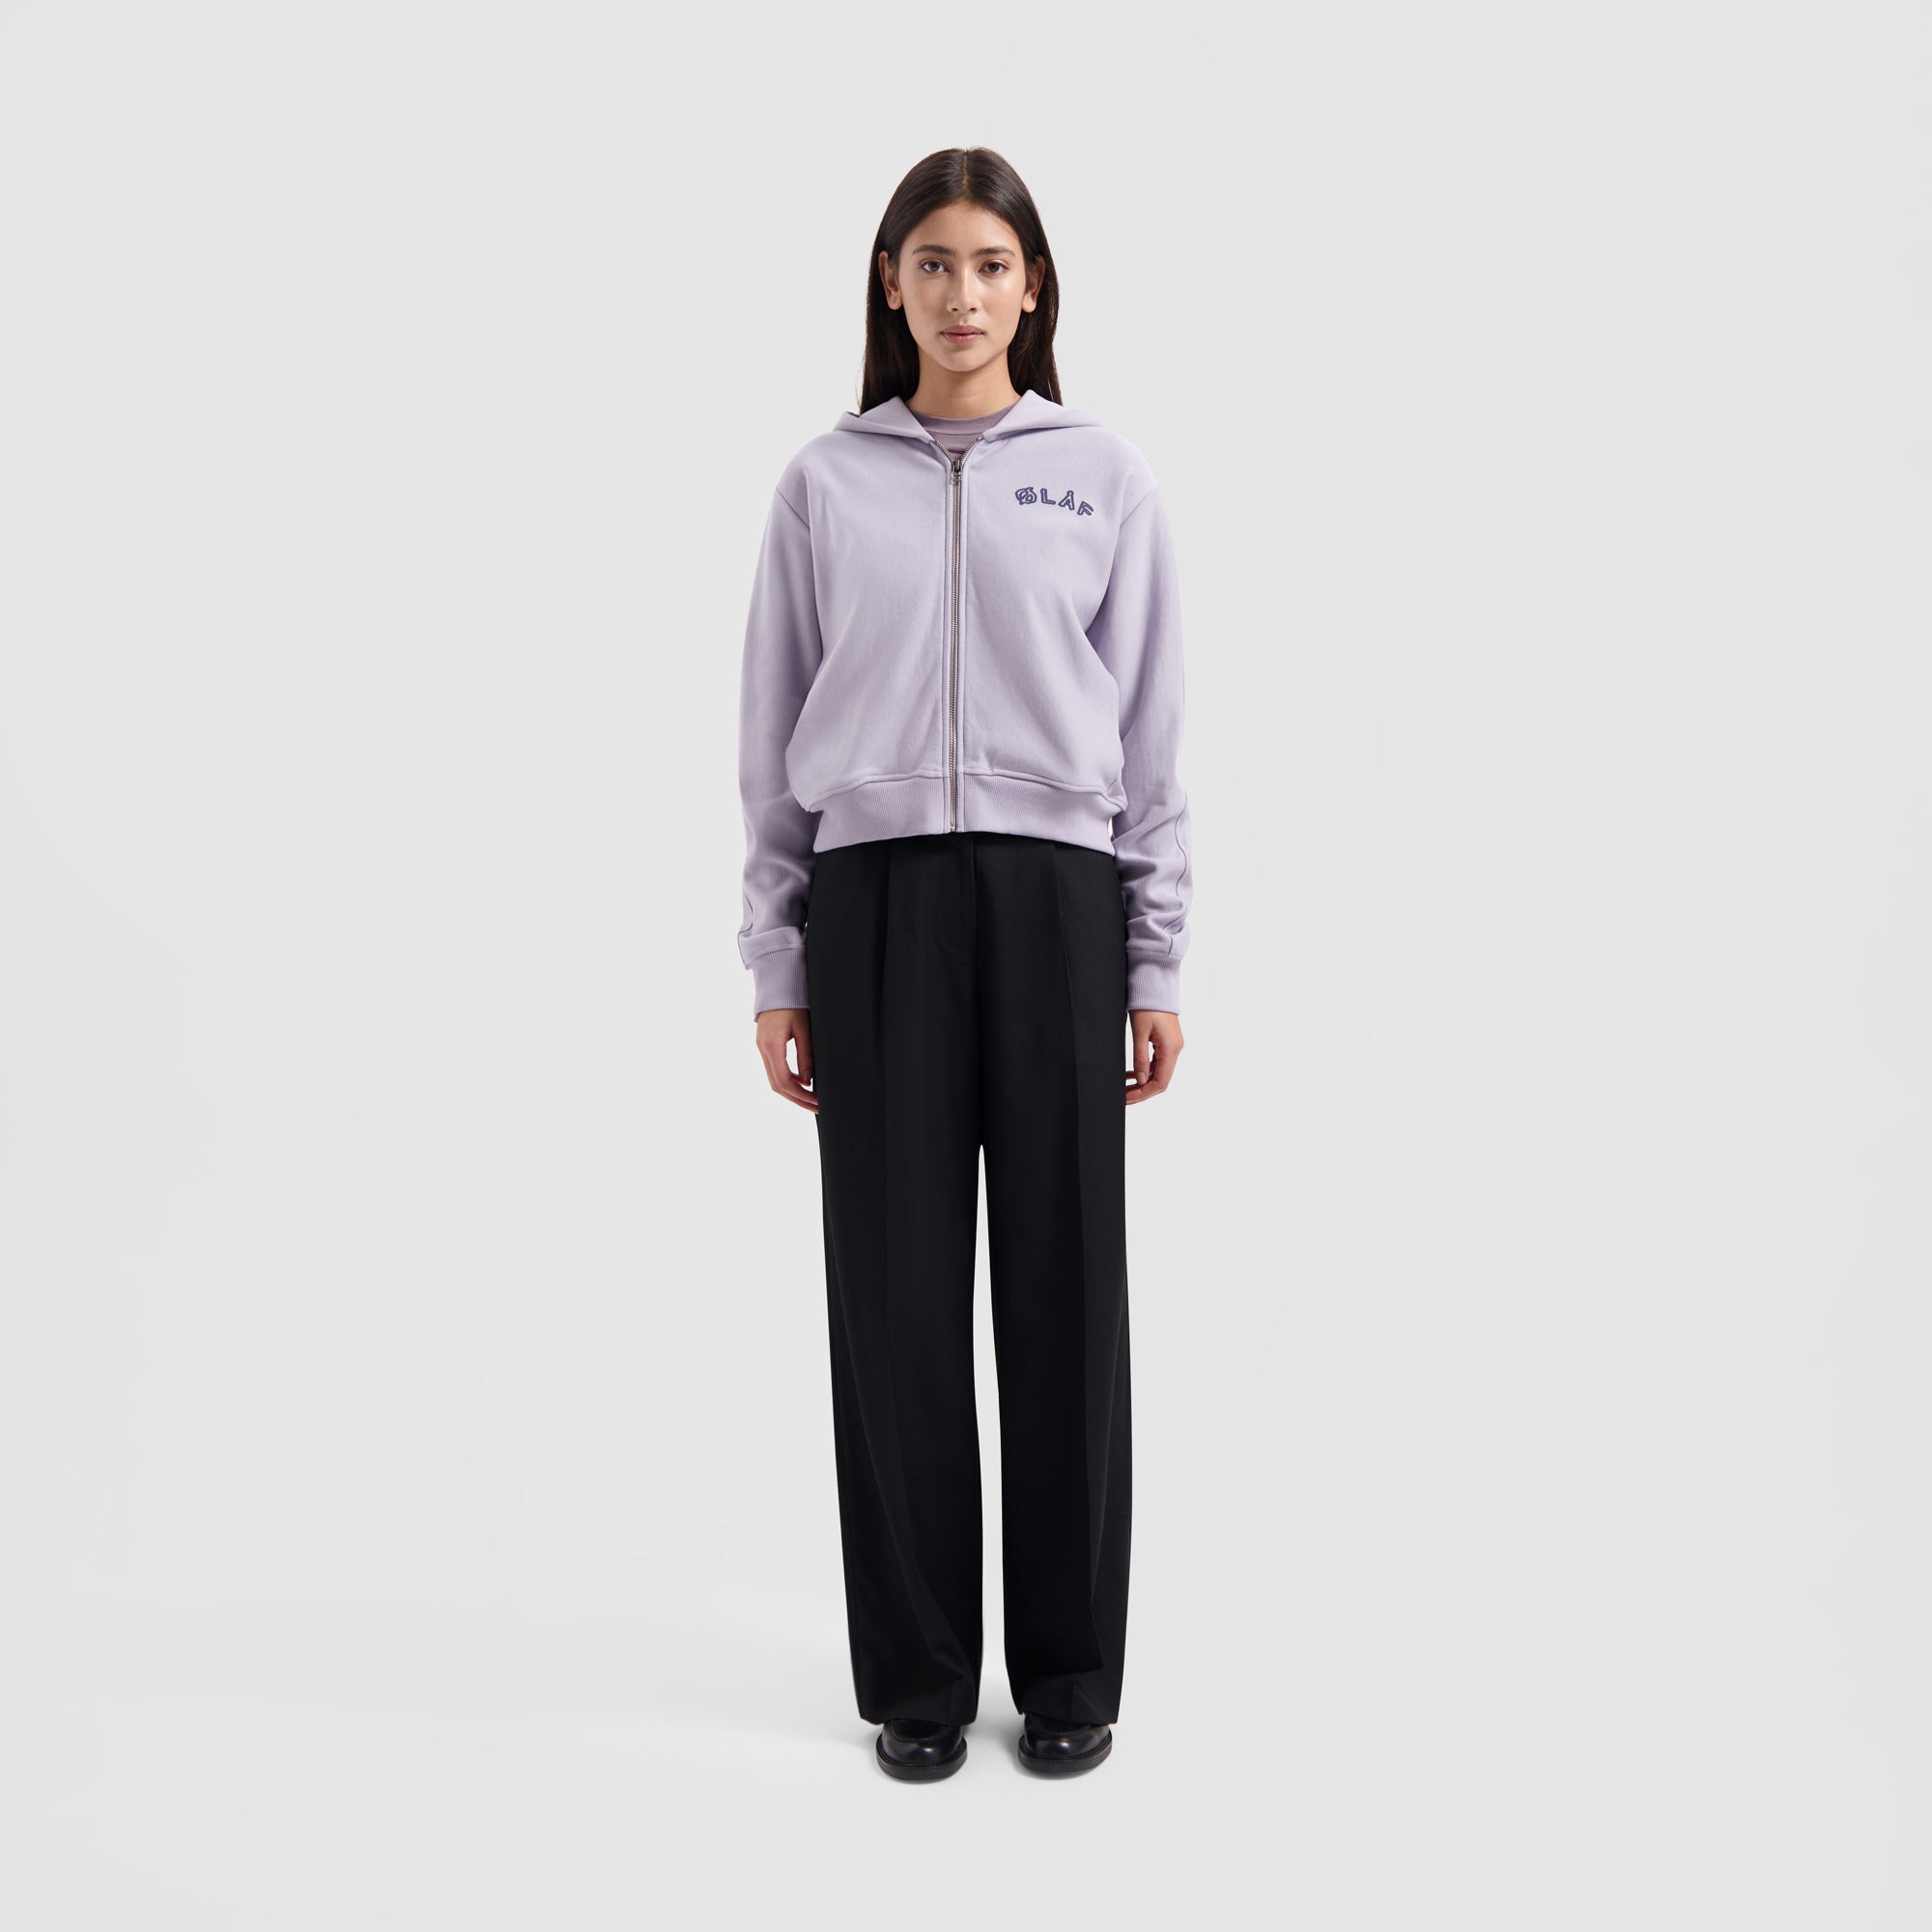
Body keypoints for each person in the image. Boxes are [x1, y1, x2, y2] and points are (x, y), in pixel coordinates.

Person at [735, 146, 1192, 1782]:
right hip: (873, 908)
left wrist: (1153, 958)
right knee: (896, 1299)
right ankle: (919, 1682)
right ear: (891, 283)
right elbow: (770, 737)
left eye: (991, 265)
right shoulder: (824, 484)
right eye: (932, 263)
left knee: (1067, 1289)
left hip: (1059, 898)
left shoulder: (1102, 477)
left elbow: (1152, 737)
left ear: (1034, 287)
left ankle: (1069, 1672)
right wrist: (778, 957)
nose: (961, 294)